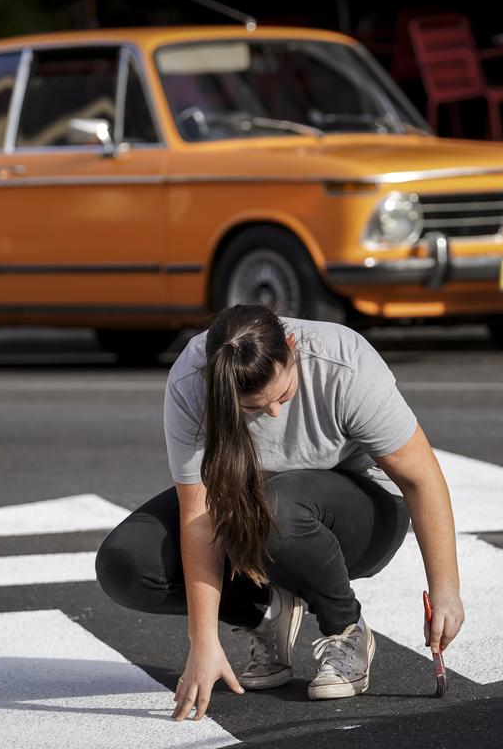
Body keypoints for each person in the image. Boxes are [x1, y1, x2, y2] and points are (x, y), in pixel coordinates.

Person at [95, 304, 464, 721]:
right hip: (261, 510)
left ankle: (346, 630)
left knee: (273, 508)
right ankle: (265, 611)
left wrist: (446, 589)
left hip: (364, 517)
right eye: (253, 409)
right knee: (127, 565)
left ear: (291, 347)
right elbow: (198, 513)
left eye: (283, 395)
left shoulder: (343, 363)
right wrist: (202, 639)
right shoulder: (192, 382)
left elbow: (422, 478)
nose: (273, 414)